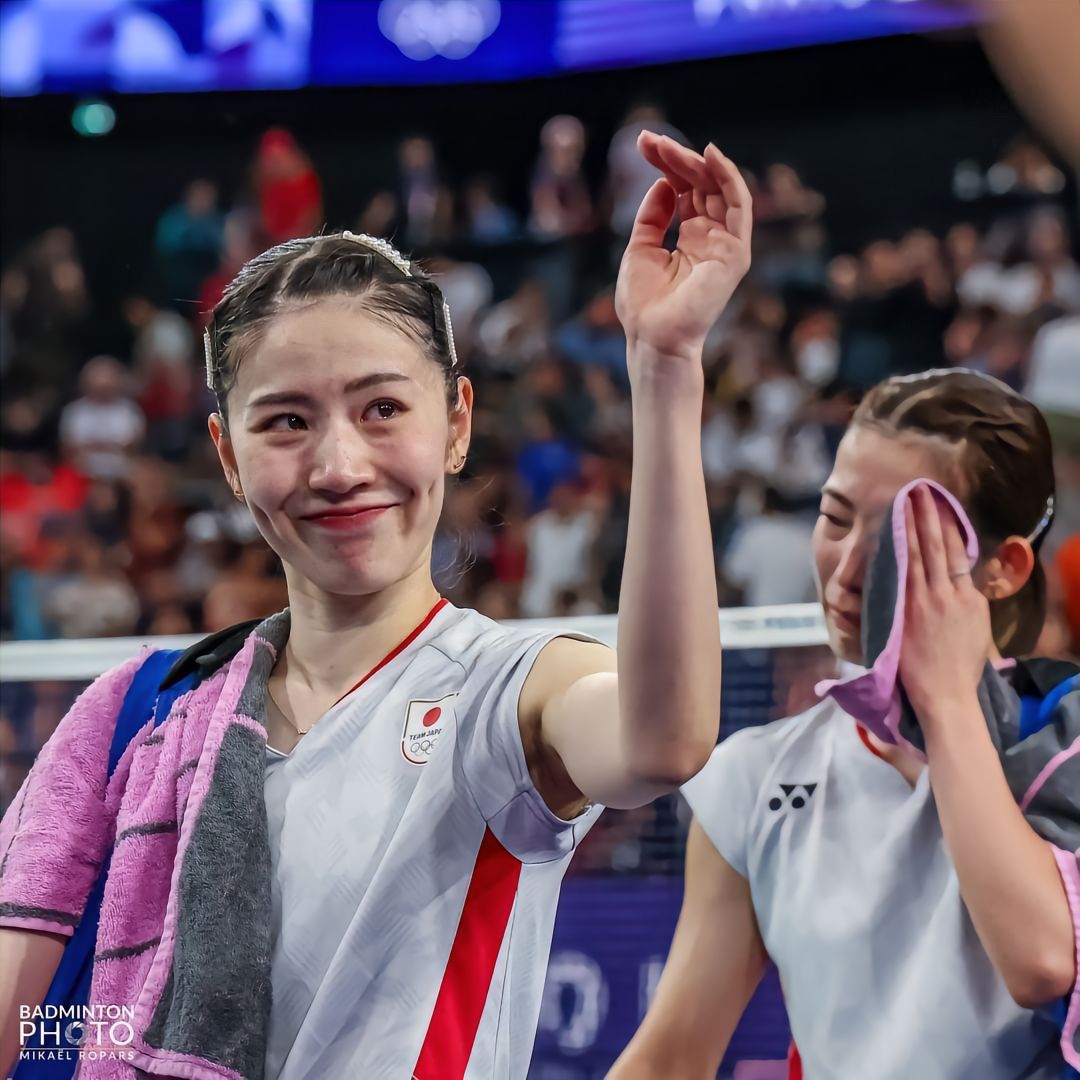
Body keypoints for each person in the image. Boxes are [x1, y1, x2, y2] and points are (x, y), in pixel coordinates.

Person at [0, 134, 753, 1079]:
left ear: (457, 424)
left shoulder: (507, 693)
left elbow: (663, 739)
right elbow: (28, 1026)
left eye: (383, 409)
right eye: (286, 421)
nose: (339, 465)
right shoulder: (133, 716)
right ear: (227, 457)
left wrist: (666, 363)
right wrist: (121, 1042)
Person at [609, 368, 1077, 1080]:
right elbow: (670, 1059)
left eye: (899, 538)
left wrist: (946, 705)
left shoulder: (1061, 739)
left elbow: (1043, 962)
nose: (847, 569)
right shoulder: (755, 777)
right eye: (834, 518)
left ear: (1003, 568)